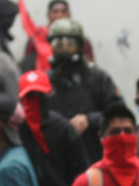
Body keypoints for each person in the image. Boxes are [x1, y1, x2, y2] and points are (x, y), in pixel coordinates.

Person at [46, 18, 124, 165]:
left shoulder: (98, 78)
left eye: (69, 45)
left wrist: (90, 120)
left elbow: (119, 113)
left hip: (93, 157)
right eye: (58, 45)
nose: (63, 50)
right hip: (59, 160)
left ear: (80, 46)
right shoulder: (46, 81)